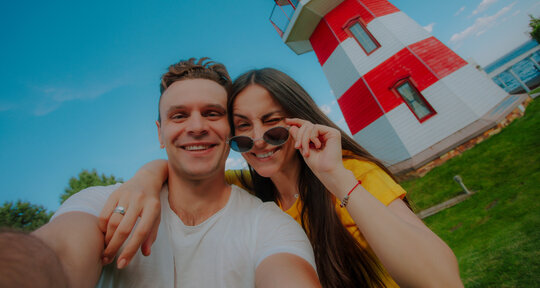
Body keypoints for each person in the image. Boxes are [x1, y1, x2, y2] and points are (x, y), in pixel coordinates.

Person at [101, 68, 464, 288]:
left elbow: (442, 282)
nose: (258, 139)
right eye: (243, 127)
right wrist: (143, 180)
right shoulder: (251, 189)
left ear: (299, 119)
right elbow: (182, 171)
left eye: (273, 123)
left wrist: (334, 177)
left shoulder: (352, 174)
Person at [9, 59, 320, 288]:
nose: (197, 127)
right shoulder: (103, 203)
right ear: (160, 133)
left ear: (231, 129)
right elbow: (57, 255)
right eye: (179, 115)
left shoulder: (269, 224)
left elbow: (287, 273)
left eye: (212, 113)